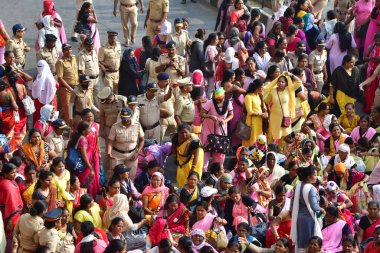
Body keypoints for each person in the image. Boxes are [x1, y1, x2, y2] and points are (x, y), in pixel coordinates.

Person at [263, 72, 305, 143]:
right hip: (274, 117)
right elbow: (266, 101)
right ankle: (271, 150)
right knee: (272, 135)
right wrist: (267, 109)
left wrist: (291, 74)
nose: (280, 83)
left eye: (283, 82)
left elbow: (299, 82)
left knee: (284, 136)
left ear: (286, 83)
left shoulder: (289, 90)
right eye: (279, 81)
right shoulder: (273, 91)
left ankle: (281, 151)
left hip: (285, 117)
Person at [290, 165, 322, 252]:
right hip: (309, 218)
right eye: (315, 175)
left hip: (298, 218)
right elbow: (315, 207)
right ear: (309, 176)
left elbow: (292, 202)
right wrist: (321, 210)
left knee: (300, 242)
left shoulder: (297, 186)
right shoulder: (311, 189)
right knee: (309, 243)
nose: (316, 177)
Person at [200, 87, 233, 170]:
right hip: (208, 130)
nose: (218, 101)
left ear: (224, 96)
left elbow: (231, 114)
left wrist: (225, 120)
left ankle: (217, 170)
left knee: (219, 152)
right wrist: (210, 116)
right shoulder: (210, 102)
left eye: (220, 99)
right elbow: (202, 113)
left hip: (221, 131)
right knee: (206, 151)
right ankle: (204, 171)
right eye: (216, 99)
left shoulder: (228, 103)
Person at [107, 108, 144, 180]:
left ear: (131, 116)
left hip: (132, 154)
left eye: (127, 118)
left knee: (131, 176)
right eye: (124, 118)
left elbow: (142, 140)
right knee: (115, 176)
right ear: (120, 116)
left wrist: (137, 153)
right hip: (117, 154)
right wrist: (109, 152)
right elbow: (110, 141)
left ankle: (129, 190)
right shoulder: (115, 126)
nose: (126, 120)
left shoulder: (137, 125)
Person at [0, 163, 23, 251]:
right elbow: (10, 203)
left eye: (15, 172)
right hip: (11, 216)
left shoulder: (11, 181)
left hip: (15, 213)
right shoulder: (6, 185)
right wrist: (10, 219)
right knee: (11, 237)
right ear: (5, 174)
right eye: (12, 173)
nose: (15, 175)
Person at [56, 43, 79, 124]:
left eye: (70, 49)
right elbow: (60, 78)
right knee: (67, 110)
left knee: (75, 108)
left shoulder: (74, 58)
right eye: (66, 50)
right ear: (63, 51)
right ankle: (68, 128)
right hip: (66, 89)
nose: (68, 51)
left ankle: (60, 122)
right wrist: (70, 88)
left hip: (76, 87)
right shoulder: (60, 62)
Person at [32, 60, 58, 125]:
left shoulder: (37, 77)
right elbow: (56, 86)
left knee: (39, 116)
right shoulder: (50, 77)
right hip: (51, 100)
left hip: (39, 101)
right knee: (50, 117)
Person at [242, 79, 268, 146]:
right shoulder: (248, 96)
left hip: (259, 121)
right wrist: (261, 114)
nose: (262, 89)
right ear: (256, 88)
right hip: (252, 122)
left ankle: (257, 154)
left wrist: (262, 98)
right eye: (261, 87)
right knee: (252, 139)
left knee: (258, 138)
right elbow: (250, 112)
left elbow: (263, 108)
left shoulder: (258, 96)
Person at [77, 37, 99, 103]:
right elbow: (81, 71)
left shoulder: (94, 51)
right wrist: (85, 82)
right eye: (88, 46)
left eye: (92, 45)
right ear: (85, 45)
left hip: (97, 79)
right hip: (89, 80)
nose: (91, 47)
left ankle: (98, 112)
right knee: (89, 97)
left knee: (97, 97)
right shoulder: (81, 55)